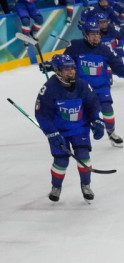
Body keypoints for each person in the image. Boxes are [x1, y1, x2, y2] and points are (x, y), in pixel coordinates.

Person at [61, 19, 124, 148]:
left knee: (108, 110)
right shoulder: (75, 46)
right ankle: (75, 139)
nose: (96, 36)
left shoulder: (105, 50)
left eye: (97, 33)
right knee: (83, 115)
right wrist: (51, 66)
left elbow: (118, 67)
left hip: (102, 87)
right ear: (85, 35)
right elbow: (65, 64)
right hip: (82, 89)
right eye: (92, 34)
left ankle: (111, 133)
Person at [34, 54, 105, 202]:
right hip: (59, 131)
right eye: (66, 70)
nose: (70, 72)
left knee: (83, 156)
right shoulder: (49, 89)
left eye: (72, 69)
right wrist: (51, 132)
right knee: (61, 161)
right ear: (58, 71)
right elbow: (42, 114)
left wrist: (96, 120)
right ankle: (56, 187)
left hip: (80, 128)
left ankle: (86, 185)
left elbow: (92, 105)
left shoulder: (83, 85)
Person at [96, 11, 124, 83]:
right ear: (97, 23)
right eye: (101, 23)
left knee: (119, 67)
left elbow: (122, 37)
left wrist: (119, 47)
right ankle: (108, 76)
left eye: (105, 22)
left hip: (114, 53)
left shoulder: (113, 28)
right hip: (101, 54)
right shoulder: (94, 32)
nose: (103, 24)